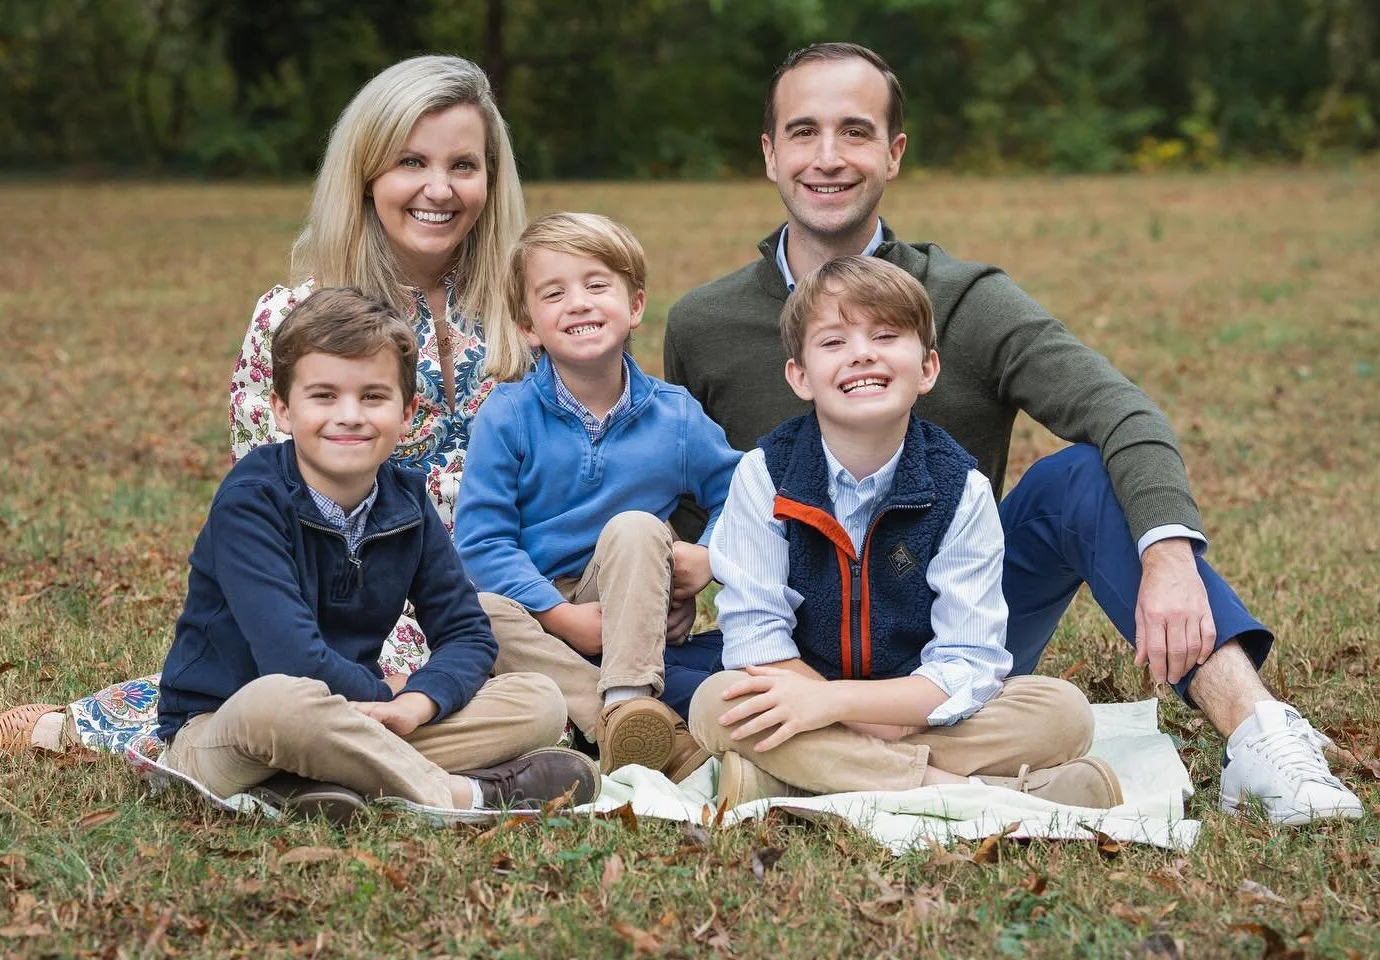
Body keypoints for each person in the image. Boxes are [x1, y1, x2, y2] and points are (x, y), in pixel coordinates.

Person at [664, 42, 1361, 825]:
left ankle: (1260, 736)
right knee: (692, 687)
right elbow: (683, 500)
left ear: (894, 153)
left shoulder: (967, 300)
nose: (828, 156)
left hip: (949, 628)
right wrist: (666, 571)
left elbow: (1119, 411)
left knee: (1080, 485)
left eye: (855, 131)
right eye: (804, 132)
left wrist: (1168, 555)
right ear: (769, 153)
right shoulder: (706, 323)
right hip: (801, 641)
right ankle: (970, 791)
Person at [0, 55, 531, 761]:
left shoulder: (525, 315)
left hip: (503, 592)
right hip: (351, 599)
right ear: (366, 174)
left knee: (527, 672)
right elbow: (274, 504)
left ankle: (372, 745)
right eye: (411, 162)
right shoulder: (295, 318)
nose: (439, 189)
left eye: (463, 166)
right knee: (337, 680)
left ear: (491, 179)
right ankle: (95, 726)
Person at [691, 256, 1119, 809]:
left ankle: (794, 779)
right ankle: (970, 794)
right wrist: (823, 702)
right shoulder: (764, 476)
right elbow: (758, 644)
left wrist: (840, 707)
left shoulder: (959, 488)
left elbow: (966, 661)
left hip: (908, 705)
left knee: (1061, 713)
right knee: (717, 704)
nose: (862, 353)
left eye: (886, 336)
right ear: (800, 377)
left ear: (927, 368)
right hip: (799, 689)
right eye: (833, 342)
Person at [156, 287, 595, 822]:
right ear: (283, 410)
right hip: (229, 728)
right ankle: (465, 796)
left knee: (538, 701)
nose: (349, 415)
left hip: (357, 721)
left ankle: (315, 787)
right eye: (323, 396)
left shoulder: (406, 503)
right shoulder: (251, 501)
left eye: (372, 397)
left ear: (407, 412)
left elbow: (468, 632)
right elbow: (292, 660)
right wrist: (385, 693)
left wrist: (419, 700)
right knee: (281, 702)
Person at [454, 213, 741, 781]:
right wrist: (561, 617)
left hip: (631, 599)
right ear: (529, 326)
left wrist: (709, 554)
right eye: (554, 293)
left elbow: (742, 490)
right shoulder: (507, 415)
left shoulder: (675, 416)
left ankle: (629, 693)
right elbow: (482, 543)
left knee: (636, 526)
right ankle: (631, 722)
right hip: (537, 616)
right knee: (476, 612)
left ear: (635, 306)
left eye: (596, 285)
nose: (578, 303)